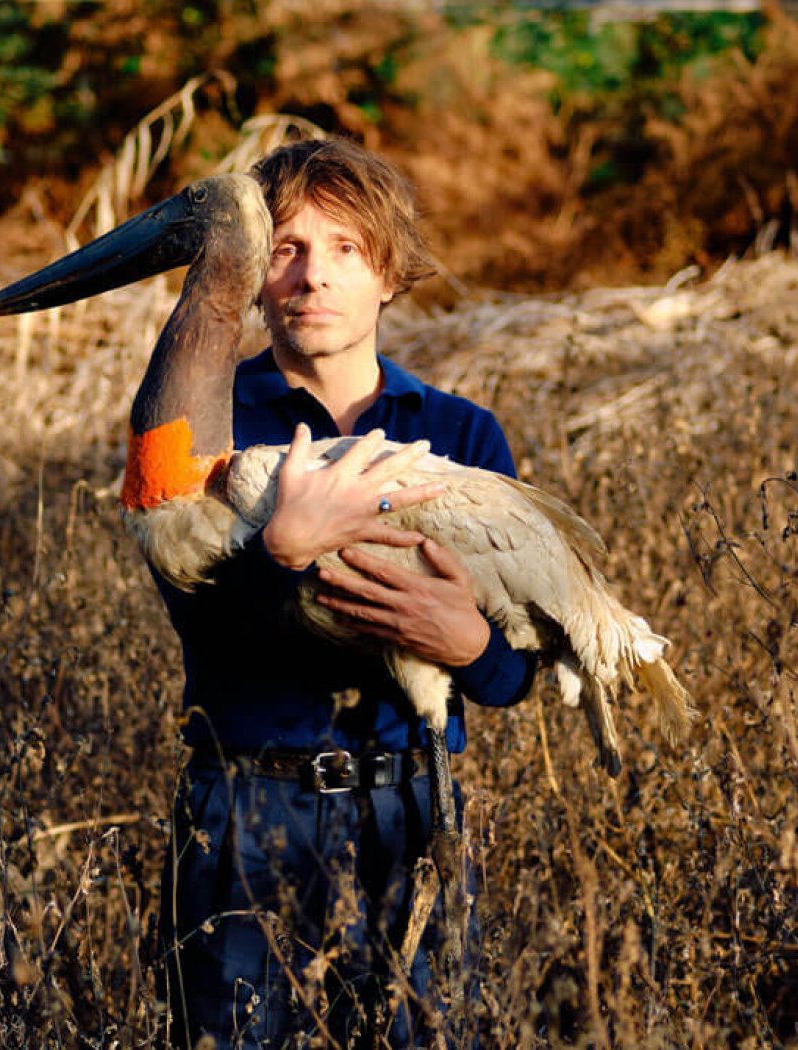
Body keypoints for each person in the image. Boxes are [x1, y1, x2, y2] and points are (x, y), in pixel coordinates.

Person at [155, 137, 535, 1048]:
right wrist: (283, 553)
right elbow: (195, 615)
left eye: (345, 250)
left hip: (413, 810)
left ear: (391, 275)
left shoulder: (459, 433)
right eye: (285, 249)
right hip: (246, 815)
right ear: (251, 274)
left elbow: (514, 674)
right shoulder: (197, 422)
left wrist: (470, 645)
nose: (311, 277)